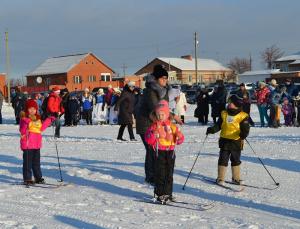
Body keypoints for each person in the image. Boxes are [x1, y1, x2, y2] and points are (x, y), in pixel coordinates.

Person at [136, 64, 170, 185]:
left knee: (153, 149)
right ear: (156, 79)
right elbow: (157, 109)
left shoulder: (163, 90)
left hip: (154, 124)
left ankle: (154, 174)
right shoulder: (150, 91)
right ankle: (150, 176)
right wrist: (169, 118)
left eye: (166, 78)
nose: (165, 81)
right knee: (151, 149)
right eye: (162, 78)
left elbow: (164, 107)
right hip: (145, 124)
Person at [145, 100, 184, 203]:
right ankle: (160, 194)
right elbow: (148, 140)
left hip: (170, 152)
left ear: (167, 114)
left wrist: (179, 137)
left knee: (169, 174)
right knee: (160, 173)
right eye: (158, 114)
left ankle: (168, 193)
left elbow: (180, 140)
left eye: (163, 114)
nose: (160, 116)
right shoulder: (154, 126)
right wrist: (154, 133)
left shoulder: (172, 126)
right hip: (159, 152)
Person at [206, 94, 250, 185]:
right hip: (225, 140)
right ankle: (220, 178)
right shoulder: (224, 113)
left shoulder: (242, 115)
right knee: (223, 159)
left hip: (236, 141)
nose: (229, 104)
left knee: (235, 160)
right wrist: (212, 130)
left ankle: (236, 178)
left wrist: (244, 134)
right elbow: (218, 125)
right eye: (229, 102)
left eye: (231, 103)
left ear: (236, 104)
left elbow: (245, 128)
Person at [19, 99, 55, 185]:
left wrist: (49, 119)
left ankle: (38, 177)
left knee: (36, 163)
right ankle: (27, 178)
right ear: (27, 109)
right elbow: (22, 130)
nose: (32, 110)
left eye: (34, 109)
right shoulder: (24, 119)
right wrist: (26, 122)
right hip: (28, 145)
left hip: (36, 145)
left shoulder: (37, 120)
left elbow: (41, 128)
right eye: (30, 108)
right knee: (28, 163)